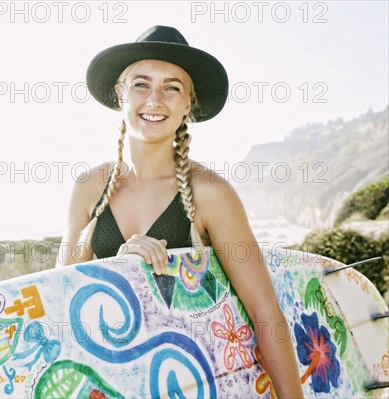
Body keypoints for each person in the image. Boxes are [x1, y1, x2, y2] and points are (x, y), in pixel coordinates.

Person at [55, 25, 303, 397]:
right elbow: (63, 296)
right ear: (120, 94)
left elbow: (266, 314)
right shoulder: (89, 188)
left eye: (172, 87)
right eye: (141, 84)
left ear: (188, 104)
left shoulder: (210, 193)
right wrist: (120, 269)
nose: (155, 99)